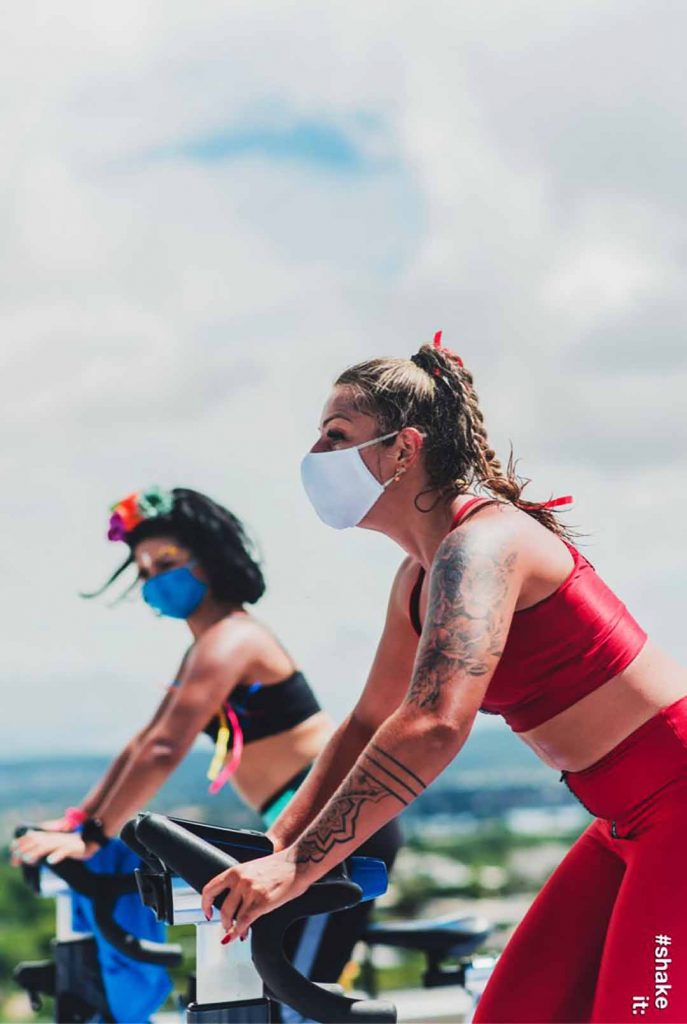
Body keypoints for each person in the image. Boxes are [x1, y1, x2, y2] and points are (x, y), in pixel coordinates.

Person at [200, 333, 687, 1023]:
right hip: (623, 820)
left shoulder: (483, 546)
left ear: (404, 448)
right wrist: (277, 842)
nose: (314, 458)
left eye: (336, 436)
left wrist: (299, 865)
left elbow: (432, 723)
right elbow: (370, 719)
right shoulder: (420, 576)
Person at [11, 486, 402, 1021]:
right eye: (144, 570)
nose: (153, 579)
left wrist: (92, 837)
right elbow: (143, 742)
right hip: (304, 826)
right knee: (276, 997)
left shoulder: (232, 639)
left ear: (210, 559)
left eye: (166, 562)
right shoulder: (206, 649)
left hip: (339, 827)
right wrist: (82, 821)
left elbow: (165, 749)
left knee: (298, 998)